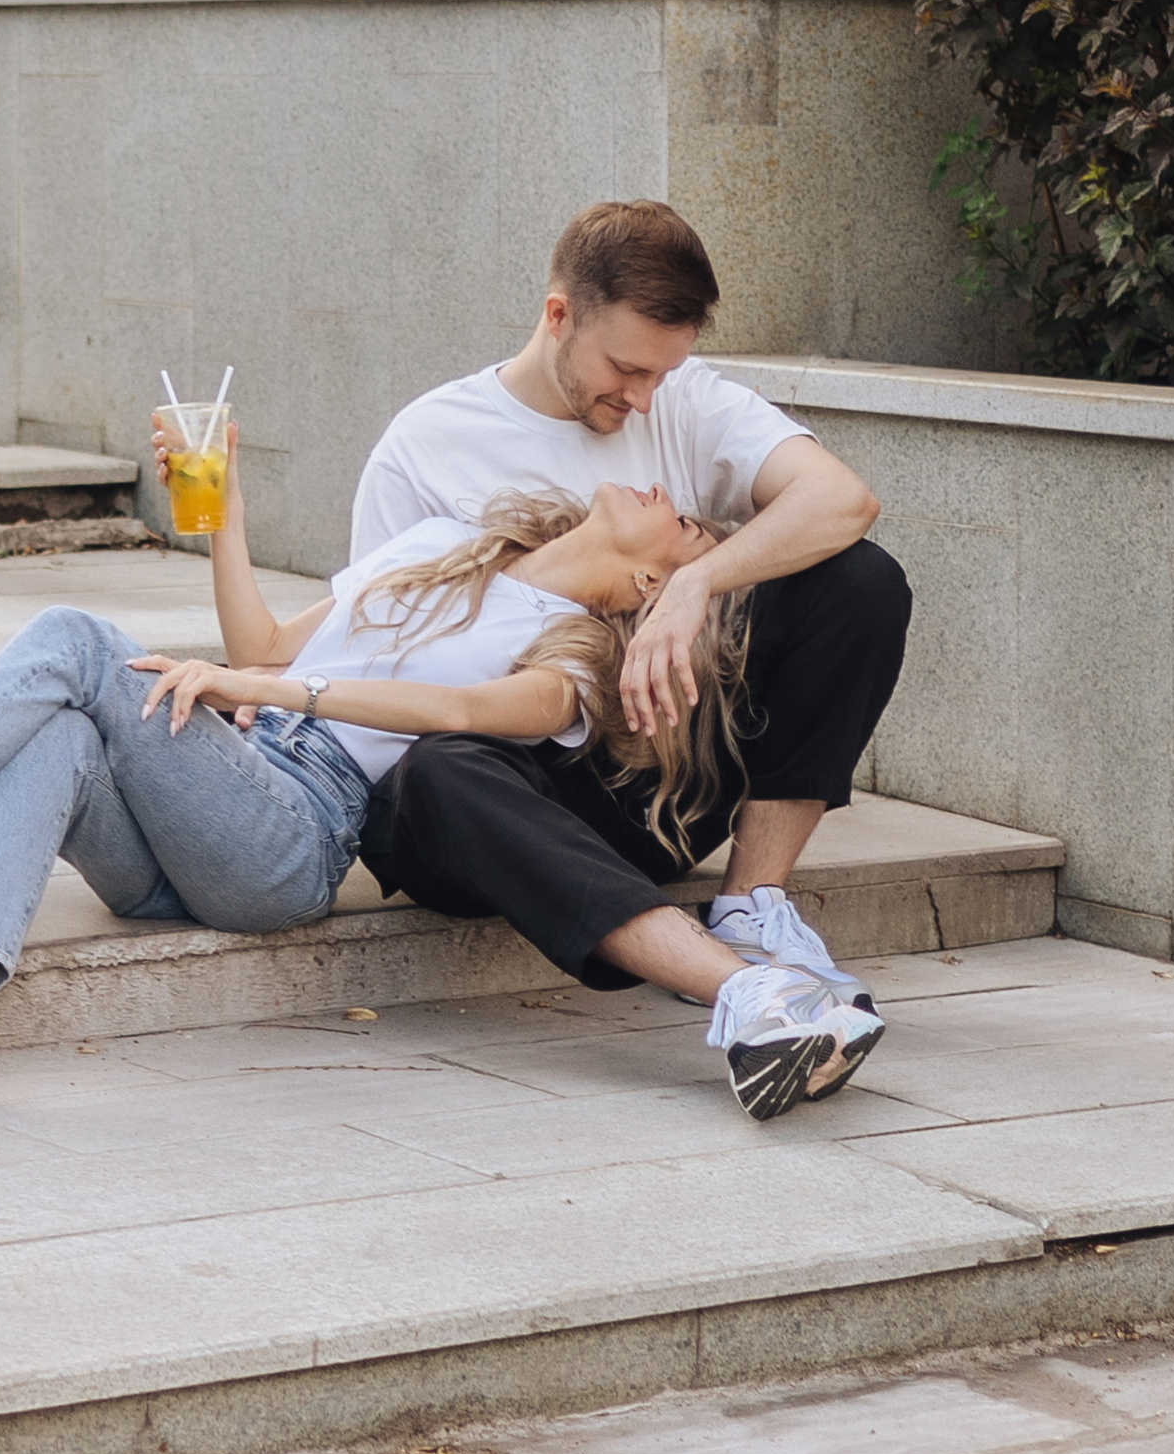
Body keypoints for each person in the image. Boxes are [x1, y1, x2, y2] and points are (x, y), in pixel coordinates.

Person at [0, 425, 862, 1128]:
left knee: (70, 639)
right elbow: (266, 641)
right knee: (54, 729)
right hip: (210, 798)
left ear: (652, 583)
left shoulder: (576, 659)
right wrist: (221, 513)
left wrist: (271, 692)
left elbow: (453, 713)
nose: (670, 494)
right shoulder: (446, 542)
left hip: (291, 834)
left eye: (687, 525)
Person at [350, 197, 910, 1067]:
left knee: (860, 581)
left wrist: (696, 581)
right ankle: (739, 990)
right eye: (625, 368)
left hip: (654, 782)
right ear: (558, 314)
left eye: (662, 371)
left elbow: (842, 499)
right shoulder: (427, 445)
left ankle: (751, 905)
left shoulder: (679, 397)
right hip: (497, 800)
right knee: (434, 771)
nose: (644, 397)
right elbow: (374, 660)